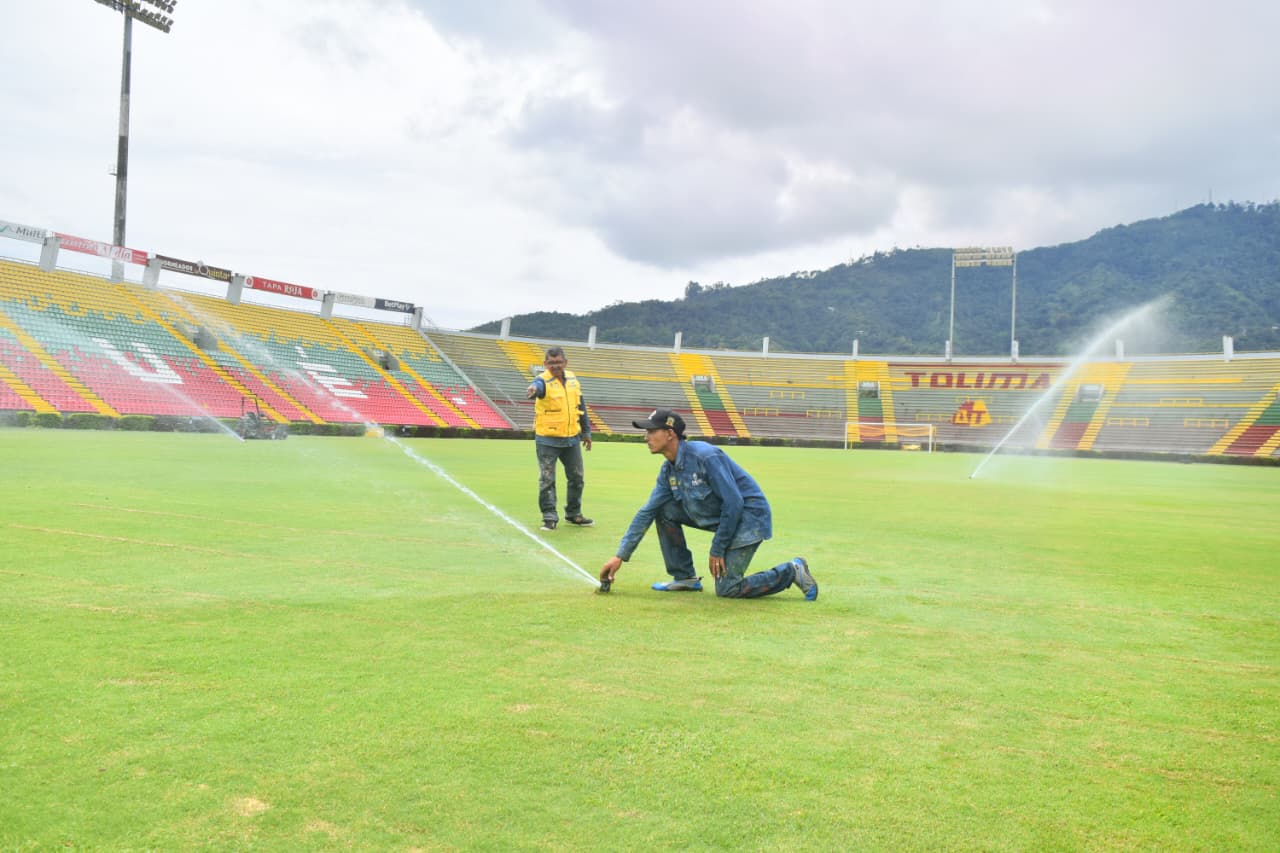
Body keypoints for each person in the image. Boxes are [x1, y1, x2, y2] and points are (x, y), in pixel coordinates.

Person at [599, 408, 817, 600]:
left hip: (749, 518)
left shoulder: (705, 456)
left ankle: (792, 571)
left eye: (651, 431)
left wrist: (717, 548)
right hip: (721, 517)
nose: (646, 437)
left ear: (670, 434)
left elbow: (734, 503)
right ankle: (685, 577)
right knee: (663, 510)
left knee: (728, 588)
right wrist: (620, 556)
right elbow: (646, 512)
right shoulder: (668, 470)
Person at [527, 346, 593, 531]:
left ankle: (574, 513)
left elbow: (581, 406)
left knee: (577, 477)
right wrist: (533, 389)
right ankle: (549, 516)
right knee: (547, 479)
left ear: (565, 362)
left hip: (571, 438)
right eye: (551, 363)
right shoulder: (542, 381)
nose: (555, 366)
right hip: (548, 439)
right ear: (545, 364)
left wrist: (586, 432)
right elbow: (537, 387)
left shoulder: (572, 379)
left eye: (558, 362)